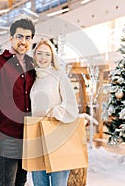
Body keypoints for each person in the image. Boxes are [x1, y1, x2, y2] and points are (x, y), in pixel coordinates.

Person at [0, 17, 36, 186]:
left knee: (21, 181)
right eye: (19, 37)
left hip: (27, 136)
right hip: (6, 137)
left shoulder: (33, 65)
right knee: (6, 182)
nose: (23, 41)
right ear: (11, 38)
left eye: (27, 37)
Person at [30, 39, 79, 186]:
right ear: (34, 55)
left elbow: (72, 108)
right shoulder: (33, 78)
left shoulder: (59, 75)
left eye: (47, 54)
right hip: (37, 140)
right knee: (39, 183)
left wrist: (47, 112)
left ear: (52, 57)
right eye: (39, 53)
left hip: (57, 138)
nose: (43, 58)